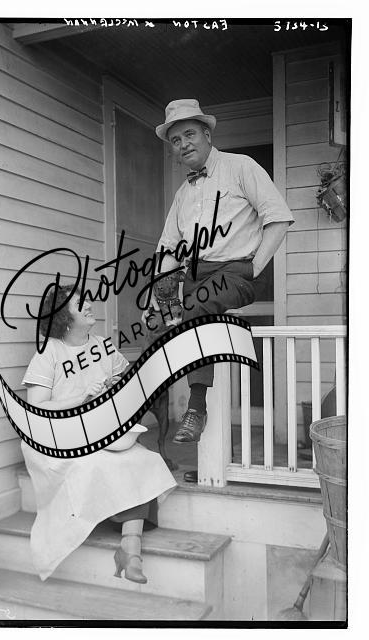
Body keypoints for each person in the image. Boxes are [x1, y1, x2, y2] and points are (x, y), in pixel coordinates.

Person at [150, 99, 294, 483]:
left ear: (207, 134)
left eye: (189, 134)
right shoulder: (183, 194)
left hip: (239, 271)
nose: (183, 144)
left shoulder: (241, 167)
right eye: (175, 139)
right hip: (198, 277)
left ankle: (195, 408)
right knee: (159, 329)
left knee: (195, 308)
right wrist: (163, 296)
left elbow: (278, 218)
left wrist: (254, 266)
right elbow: (168, 248)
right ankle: (168, 445)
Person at [20, 285, 176, 583]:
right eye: (80, 303)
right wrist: (81, 398)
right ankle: (129, 550)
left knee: (142, 460)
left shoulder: (103, 346)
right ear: (63, 316)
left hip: (99, 430)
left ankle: (130, 549)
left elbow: (125, 385)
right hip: (58, 435)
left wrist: (116, 388)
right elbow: (36, 408)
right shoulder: (49, 352)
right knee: (103, 464)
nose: (90, 305)